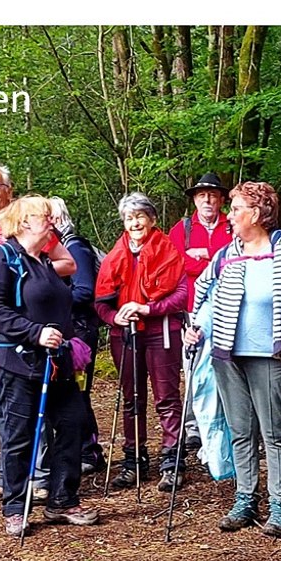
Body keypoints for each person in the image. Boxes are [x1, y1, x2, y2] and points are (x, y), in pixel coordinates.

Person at [185, 182, 281, 537]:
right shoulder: (226, 255)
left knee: (275, 432)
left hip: (269, 356)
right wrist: (196, 328)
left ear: (257, 214)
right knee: (240, 431)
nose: (228, 215)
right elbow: (205, 297)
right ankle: (245, 498)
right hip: (226, 355)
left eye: (234, 209)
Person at [0, 195, 98, 538]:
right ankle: (15, 506)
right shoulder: (0, 259)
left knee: (73, 422)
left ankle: (62, 499)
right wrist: (35, 332)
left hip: (56, 361)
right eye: (45, 217)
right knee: (20, 434)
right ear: (25, 222)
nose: (52, 221)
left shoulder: (43, 260)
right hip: (18, 361)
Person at [0, 160, 76, 505]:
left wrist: (33, 270)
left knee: (67, 421)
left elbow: (69, 265)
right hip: (6, 345)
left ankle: (53, 490)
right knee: (9, 416)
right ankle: (15, 492)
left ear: (8, 191)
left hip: (49, 350)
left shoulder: (40, 247)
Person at [95, 192, 187, 493]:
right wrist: (115, 318)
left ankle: (172, 461)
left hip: (162, 330)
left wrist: (149, 308)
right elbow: (101, 303)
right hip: (126, 335)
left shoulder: (170, 251)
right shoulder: (114, 257)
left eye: (140, 216)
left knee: (167, 398)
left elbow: (182, 295)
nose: (135, 222)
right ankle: (134, 461)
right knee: (131, 398)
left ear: (152, 219)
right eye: (129, 217)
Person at [168, 172, 232, 451]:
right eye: (202, 195)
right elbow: (174, 266)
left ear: (221, 199)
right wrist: (211, 260)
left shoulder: (233, 224)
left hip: (230, 307)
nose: (207, 200)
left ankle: (229, 419)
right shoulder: (181, 229)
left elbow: (233, 261)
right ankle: (194, 426)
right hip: (191, 308)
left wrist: (203, 256)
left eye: (213, 195)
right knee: (192, 366)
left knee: (228, 364)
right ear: (195, 199)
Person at [49, 196, 105, 475]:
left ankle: (90, 451)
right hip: (70, 328)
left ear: (58, 220)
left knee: (78, 392)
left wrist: (53, 297)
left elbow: (85, 290)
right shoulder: (56, 251)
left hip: (81, 329)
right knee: (70, 392)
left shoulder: (75, 247)